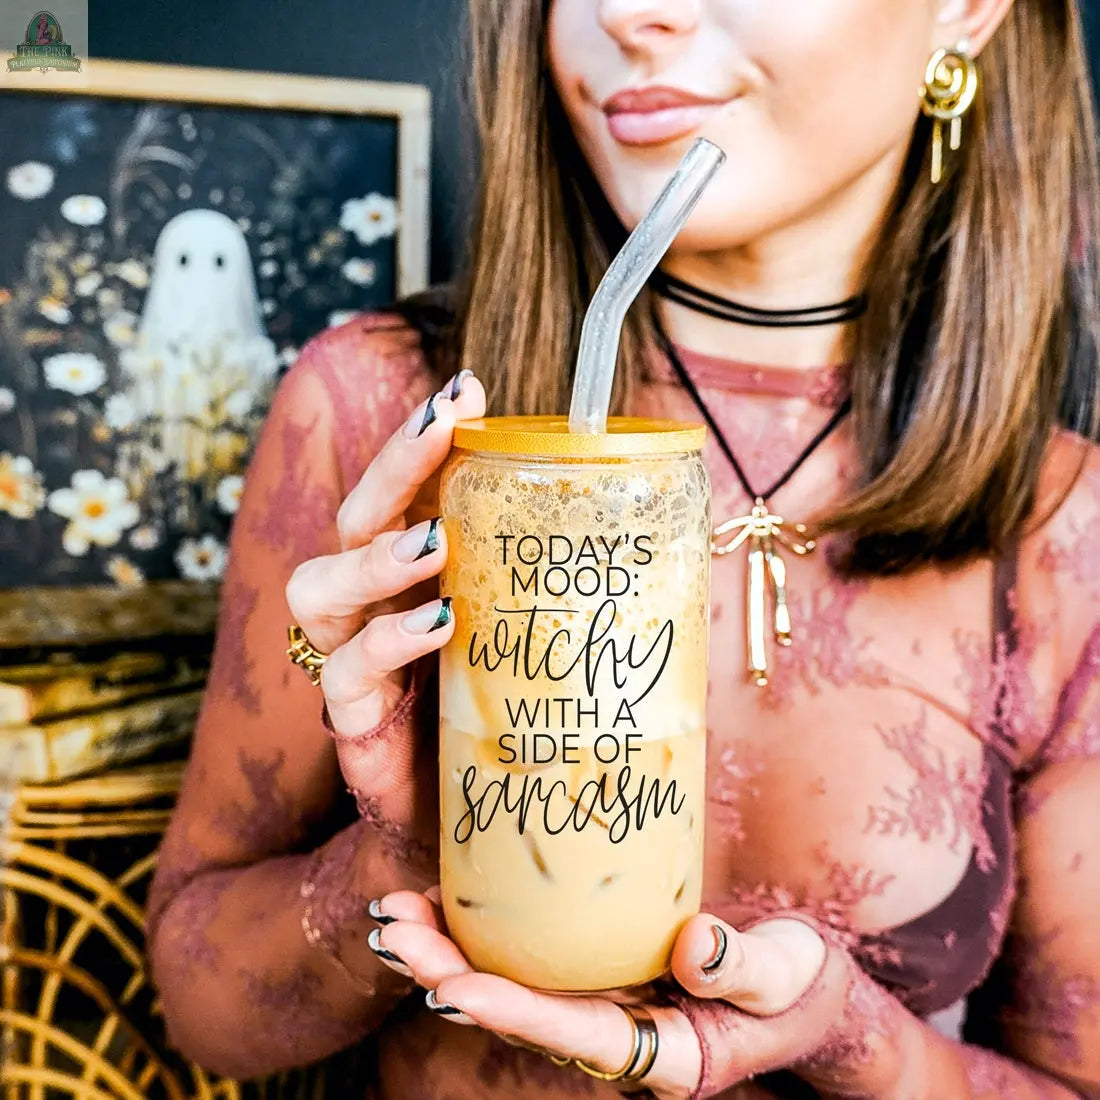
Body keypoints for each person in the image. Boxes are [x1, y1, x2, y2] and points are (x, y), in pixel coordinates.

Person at [146, 0, 1100, 1096]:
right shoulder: (392, 417)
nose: (628, 11)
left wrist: (853, 1038)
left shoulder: (1060, 527)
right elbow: (200, 1000)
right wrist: (409, 851)